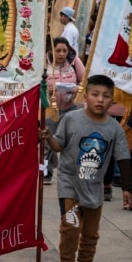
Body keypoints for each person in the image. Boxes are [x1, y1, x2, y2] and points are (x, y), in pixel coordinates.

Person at [40, 74, 132, 262]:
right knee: (71, 227)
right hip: (69, 186)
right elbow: (58, 146)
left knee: (91, 232)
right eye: (95, 94)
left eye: (106, 96)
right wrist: (48, 137)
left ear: (113, 100)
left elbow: (123, 157)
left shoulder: (114, 128)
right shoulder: (71, 119)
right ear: (85, 96)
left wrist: (129, 187)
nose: (100, 99)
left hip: (94, 190)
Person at [44, 37, 85, 185]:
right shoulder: (44, 63)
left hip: (70, 109)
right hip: (49, 109)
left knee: (69, 141)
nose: (61, 54)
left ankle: (69, 171)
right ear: (51, 50)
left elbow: (84, 80)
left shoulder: (74, 62)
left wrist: (76, 90)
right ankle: (47, 171)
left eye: (64, 51)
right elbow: (35, 82)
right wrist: (45, 89)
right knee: (48, 140)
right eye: (58, 51)